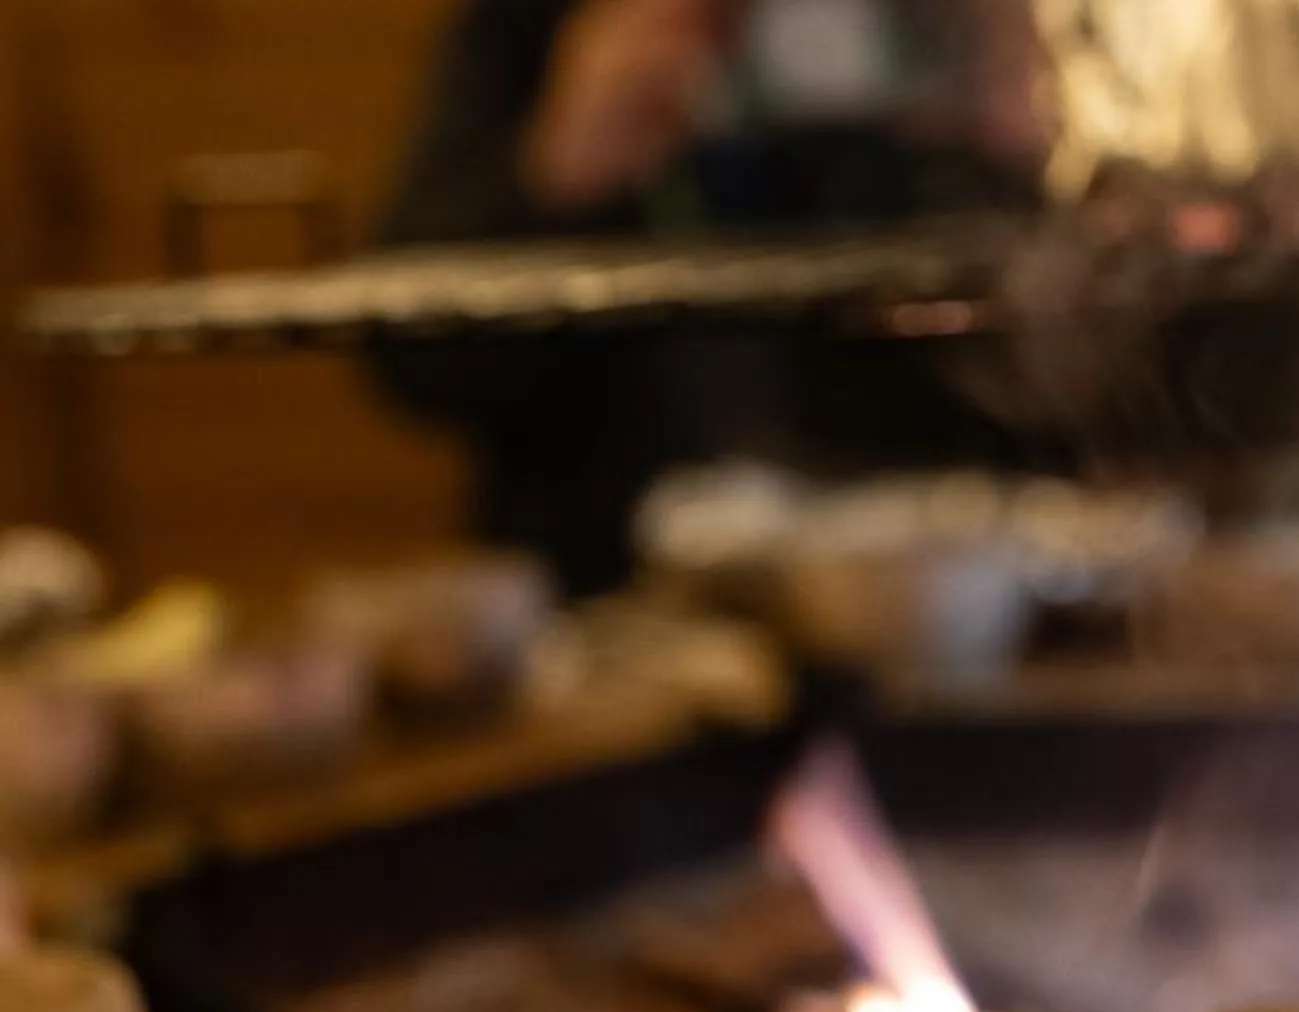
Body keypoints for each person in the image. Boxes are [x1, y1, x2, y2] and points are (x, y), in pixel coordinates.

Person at [375, 0, 1040, 592]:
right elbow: (416, 364)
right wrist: (557, 167)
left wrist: (1027, 168)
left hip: (951, 612)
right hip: (622, 620)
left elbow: (1090, 397)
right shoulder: (542, 21)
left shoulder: (975, 28)